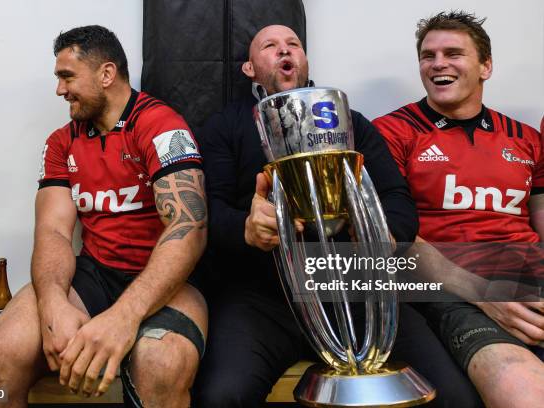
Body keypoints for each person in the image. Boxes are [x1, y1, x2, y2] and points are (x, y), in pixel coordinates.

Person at [193, 24, 481, 407]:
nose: (285, 51)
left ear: (304, 59)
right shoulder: (224, 127)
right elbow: (209, 215)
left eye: (293, 44)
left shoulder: (352, 121)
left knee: (454, 397)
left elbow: (397, 200)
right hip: (261, 299)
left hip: (359, 290)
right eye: (270, 46)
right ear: (249, 68)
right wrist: (246, 229)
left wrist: (381, 233)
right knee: (221, 397)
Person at [0, 25, 207, 408]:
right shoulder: (61, 141)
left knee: (160, 363)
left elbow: (189, 228)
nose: (59, 90)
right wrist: (53, 305)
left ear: (106, 74)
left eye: (67, 77)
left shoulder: (162, 126)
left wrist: (123, 318)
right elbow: (53, 232)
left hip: (166, 281)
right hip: (93, 274)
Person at [373, 11, 544, 407]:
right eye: (428, 55)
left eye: (453, 53)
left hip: (526, 275)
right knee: (524, 389)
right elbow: (389, 238)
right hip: (450, 288)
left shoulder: (527, 139)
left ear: (485, 67)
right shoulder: (392, 132)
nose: (438, 64)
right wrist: (486, 295)